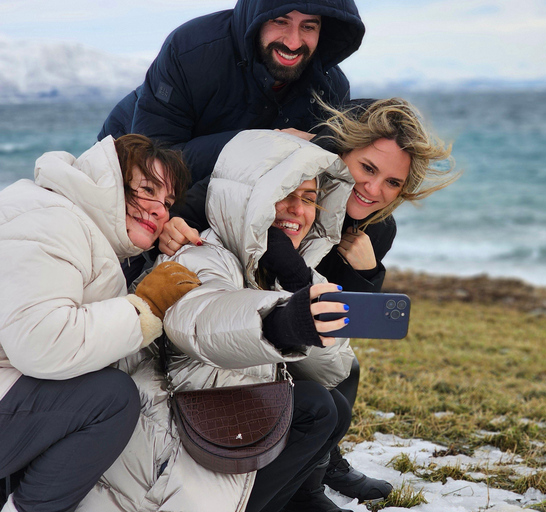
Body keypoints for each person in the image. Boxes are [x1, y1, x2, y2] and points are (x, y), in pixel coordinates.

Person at [171, 97, 458, 506]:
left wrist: (366, 274)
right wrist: (172, 224)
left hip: (293, 320)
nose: (374, 190)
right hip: (227, 321)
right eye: (368, 169)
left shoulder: (376, 230)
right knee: (316, 397)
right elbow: (214, 204)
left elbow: (344, 319)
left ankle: (319, 469)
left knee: (343, 372)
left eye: (393, 183)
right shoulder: (290, 177)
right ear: (341, 154)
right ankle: (301, 478)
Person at [77, 130, 360, 512]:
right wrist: (280, 320)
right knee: (315, 407)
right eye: (284, 195)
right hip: (173, 429)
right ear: (249, 200)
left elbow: (335, 366)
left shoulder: (293, 272)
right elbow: (199, 320)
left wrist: (297, 282)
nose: (297, 209)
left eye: (309, 199)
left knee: (331, 406)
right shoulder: (200, 253)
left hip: (229, 419)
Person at [0, 135, 198, 512]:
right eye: (146, 189)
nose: (158, 211)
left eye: (167, 203)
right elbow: (42, 343)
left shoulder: (68, 216)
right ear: (108, 179)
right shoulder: (54, 219)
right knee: (111, 399)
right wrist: (144, 309)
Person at [97, 0, 365, 181]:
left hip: (224, 191)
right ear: (257, 19)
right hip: (125, 161)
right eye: (280, 21)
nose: (293, 42)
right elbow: (154, 158)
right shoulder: (191, 51)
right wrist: (267, 143)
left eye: (308, 26)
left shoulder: (329, 89)